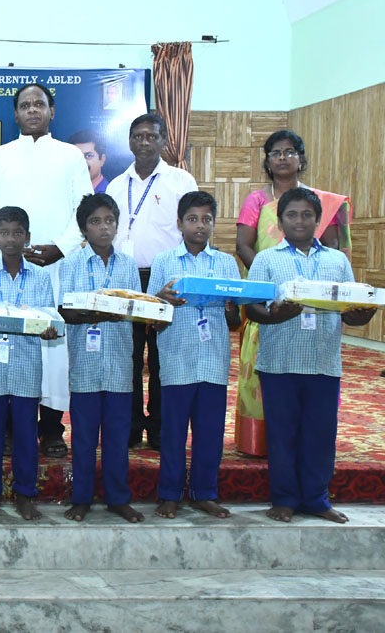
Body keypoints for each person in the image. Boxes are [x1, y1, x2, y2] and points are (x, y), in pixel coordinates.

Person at [0, 83, 92, 458]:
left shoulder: (70, 156)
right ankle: (9, 429)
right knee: (8, 341)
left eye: (39, 104)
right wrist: (5, 248)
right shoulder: (0, 156)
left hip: (56, 267)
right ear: (16, 114)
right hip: (8, 267)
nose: (33, 110)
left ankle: (52, 429)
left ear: (52, 111)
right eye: (25, 105)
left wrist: (60, 248)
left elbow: (85, 209)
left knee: (54, 348)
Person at [244, 187, 374, 524]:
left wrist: (362, 315)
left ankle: (317, 499)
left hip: (323, 363)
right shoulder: (266, 260)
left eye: (307, 215)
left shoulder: (337, 261)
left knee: (320, 434)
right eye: (291, 215)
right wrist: (277, 315)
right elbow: (253, 309)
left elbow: (349, 310)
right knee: (282, 435)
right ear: (280, 222)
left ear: (318, 220)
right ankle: (284, 498)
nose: (299, 221)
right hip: (279, 363)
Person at [234, 130, 351, 456]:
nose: (283, 158)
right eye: (276, 152)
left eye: (290, 152)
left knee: (315, 399)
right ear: (267, 161)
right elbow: (243, 245)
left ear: (301, 158)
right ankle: (259, 443)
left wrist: (309, 287)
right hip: (271, 302)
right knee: (268, 376)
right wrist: (273, 282)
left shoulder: (320, 201)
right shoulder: (257, 200)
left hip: (318, 301)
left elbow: (331, 245)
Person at [106, 113, 198, 450]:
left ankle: (159, 426)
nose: (144, 142)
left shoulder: (180, 181)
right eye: (138, 136)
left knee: (163, 356)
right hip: (127, 276)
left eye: (151, 136)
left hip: (167, 276)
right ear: (130, 141)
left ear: (163, 141)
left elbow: (192, 228)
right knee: (127, 355)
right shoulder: (116, 185)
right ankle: (130, 426)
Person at [148, 191, 241, 520]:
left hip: (213, 359)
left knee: (210, 432)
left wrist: (231, 307)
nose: (199, 225)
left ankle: (205, 493)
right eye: (192, 219)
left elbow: (235, 319)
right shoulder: (164, 262)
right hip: (177, 358)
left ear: (214, 224)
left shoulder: (226, 264)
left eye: (206, 219)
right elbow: (152, 318)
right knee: (173, 432)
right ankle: (169, 493)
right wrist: (161, 300)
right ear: (179, 223)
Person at [58, 194, 143, 524]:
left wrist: (119, 310)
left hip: (120, 365)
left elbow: (135, 309)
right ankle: (81, 498)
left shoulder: (127, 265)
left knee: (118, 438)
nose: (104, 228)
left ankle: (117, 498)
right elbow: (67, 311)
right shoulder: (72, 264)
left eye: (109, 221)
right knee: (83, 437)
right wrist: (104, 311)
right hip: (85, 366)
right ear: (84, 229)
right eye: (95, 222)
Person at [0, 206, 58, 522]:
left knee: (25, 436)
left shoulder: (40, 277)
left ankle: (25, 494)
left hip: (26, 365)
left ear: (27, 237)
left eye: (17, 233)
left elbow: (49, 318)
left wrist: (49, 329)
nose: (10, 239)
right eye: (4, 233)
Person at [68, 129, 109, 193]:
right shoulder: (64, 191)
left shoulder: (111, 192)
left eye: (88, 156)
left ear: (102, 160)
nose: (82, 162)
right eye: (76, 156)